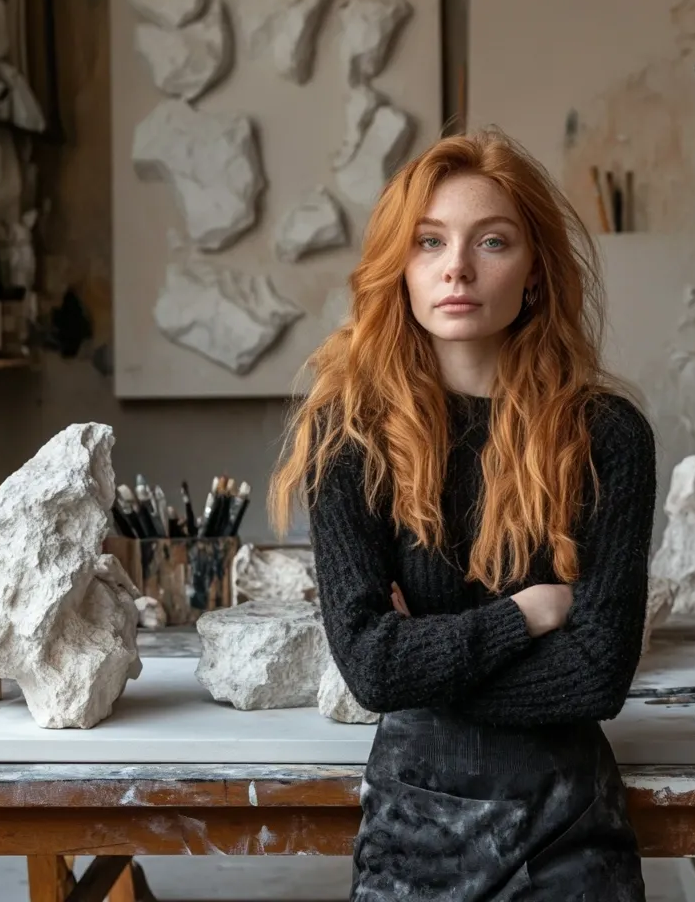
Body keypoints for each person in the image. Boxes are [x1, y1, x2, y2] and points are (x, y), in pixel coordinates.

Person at [269, 127, 656, 900]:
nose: (458, 268)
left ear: (535, 270)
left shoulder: (606, 435)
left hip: (568, 831)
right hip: (416, 833)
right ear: (399, 270)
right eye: (429, 242)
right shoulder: (349, 436)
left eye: (492, 241)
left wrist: (426, 656)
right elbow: (373, 668)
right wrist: (528, 616)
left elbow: (596, 676)